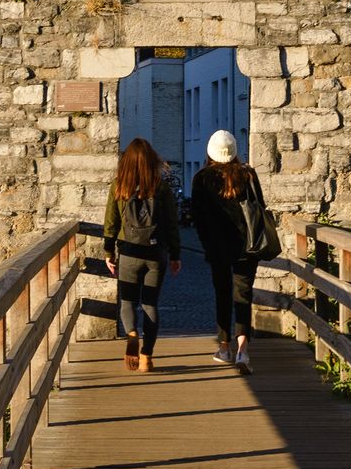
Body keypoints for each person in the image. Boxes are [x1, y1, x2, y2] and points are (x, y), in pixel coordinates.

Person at [189, 129, 268, 374]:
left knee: (223, 294)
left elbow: (197, 216)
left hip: (217, 246)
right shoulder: (248, 174)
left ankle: (224, 348)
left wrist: (206, 243)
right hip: (247, 246)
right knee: (243, 296)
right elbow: (260, 207)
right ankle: (243, 350)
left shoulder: (202, 178)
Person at [103, 138, 180, 372]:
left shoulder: (119, 186)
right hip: (156, 253)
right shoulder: (161, 186)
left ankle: (132, 333)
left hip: (128, 251)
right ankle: (146, 357)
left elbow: (111, 222)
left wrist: (109, 252)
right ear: (151, 160)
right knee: (151, 304)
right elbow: (171, 224)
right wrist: (175, 254)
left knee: (127, 301)